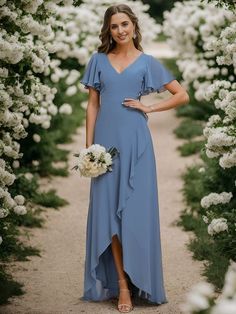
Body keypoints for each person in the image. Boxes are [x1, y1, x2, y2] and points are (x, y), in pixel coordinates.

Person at [80, 3, 189, 313]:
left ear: (134, 26)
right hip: (105, 147)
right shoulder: (98, 60)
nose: (120, 30)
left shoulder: (148, 62)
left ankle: (140, 277)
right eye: (114, 26)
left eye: (125, 24)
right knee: (109, 216)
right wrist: (89, 150)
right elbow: (92, 106)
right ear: (108, 30)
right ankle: (123, 286)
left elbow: (181, 95)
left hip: (137, 145)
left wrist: (150, 108)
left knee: (136, 214)